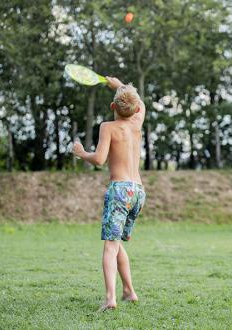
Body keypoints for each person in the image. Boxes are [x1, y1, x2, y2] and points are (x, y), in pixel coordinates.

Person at [72, 77, 146, 310]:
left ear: (113, 107)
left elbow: (100, 159)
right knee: (117, 242)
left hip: (120, 190)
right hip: (138, 192)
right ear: (134, 109)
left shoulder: (108, 127)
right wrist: (119, 85)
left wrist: (82, 153)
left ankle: (110, 299)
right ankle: (129, 291)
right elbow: (141, 104)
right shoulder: (136, 124)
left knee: (110, 245)